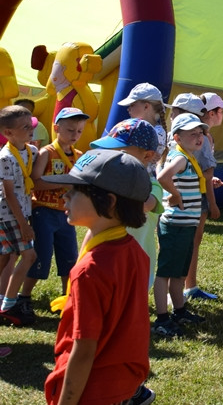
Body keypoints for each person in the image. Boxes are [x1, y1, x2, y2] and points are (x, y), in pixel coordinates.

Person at [41, 149, 152, 405]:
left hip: (90, 390)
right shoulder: (135, 252)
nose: (65, 195)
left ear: (109, 202)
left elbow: (83, 351)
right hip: (120, 385)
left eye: (76, 190)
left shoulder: (90, 270)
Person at [19, 108, 88, 323]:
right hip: (43, 211)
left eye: (79, 131)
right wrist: (64, 182)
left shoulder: (79, 156)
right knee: (41, 254)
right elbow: (35, 181)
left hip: (66, 214)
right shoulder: (47, 153)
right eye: (70, 130)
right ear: (56, 128)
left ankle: (68, 298)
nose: (75, 135)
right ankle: (24, 296)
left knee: (69, 257)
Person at [152, 113, 211, 337]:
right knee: (166, 273)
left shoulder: (187, 157)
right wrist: (175, 195)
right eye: (192, 134)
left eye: (200, 133)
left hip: (185, 225)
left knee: (178, 273)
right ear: (177, 138)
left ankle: (179, 311)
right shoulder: (181, 158)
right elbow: (163, 177)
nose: (199, 137)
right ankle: (162, 318)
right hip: (176, 225)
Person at [90, 118, 162, 291]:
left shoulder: (152, 186)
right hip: (105, 263)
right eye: (110, 151)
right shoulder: (107, 184)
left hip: (135, 269)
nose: (112, 157)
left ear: (147, 156)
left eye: (120, 152)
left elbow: (146, 205)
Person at [167, 92, 220, 300]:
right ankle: (177, 288)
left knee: (189, 243)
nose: (171, 116)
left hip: (191, 197)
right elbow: (207, 171)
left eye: (175, 112)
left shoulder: (197, 139)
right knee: (181, 243)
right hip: (184, 197)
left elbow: (208, 172)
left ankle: (186, 286)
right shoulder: (181, 137)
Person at [0, 106, 38, 326]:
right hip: (9, 214)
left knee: (5, 257)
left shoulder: (30, 151)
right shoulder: (6, 157)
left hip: (22, 212)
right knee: (29, 255)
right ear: (8, 133)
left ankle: (3, 299)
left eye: (30, 124)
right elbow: (9, 193)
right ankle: (9, 304)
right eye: (25, 127)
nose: (30, 129)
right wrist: (23, 224)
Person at [118, 82, 170, 174]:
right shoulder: (137, 128)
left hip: (139, 178)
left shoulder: (156, 132)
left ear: (146, 106)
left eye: (132, 105)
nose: (128, 109)